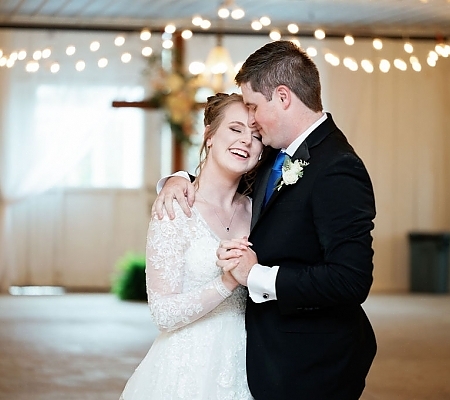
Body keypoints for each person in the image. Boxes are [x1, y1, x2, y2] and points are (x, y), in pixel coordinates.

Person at [154, 40, 377, 400]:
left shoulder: (337, 167)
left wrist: (252, 275)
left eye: (255, 108)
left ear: (284, 97)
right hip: (262, 356)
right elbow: (224, 169)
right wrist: (178, 179)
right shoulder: (275, 152)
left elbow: (351, 280)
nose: (252, 123)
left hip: (313, 363)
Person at [120, 93, 264, 400]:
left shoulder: (260, 212)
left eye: (256, 135)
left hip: (250, 365)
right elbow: (163, 313)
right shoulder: (175, 206)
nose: (246, 141)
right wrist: (228, 281)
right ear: (209, 136)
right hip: (186, 368)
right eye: (235, 129)